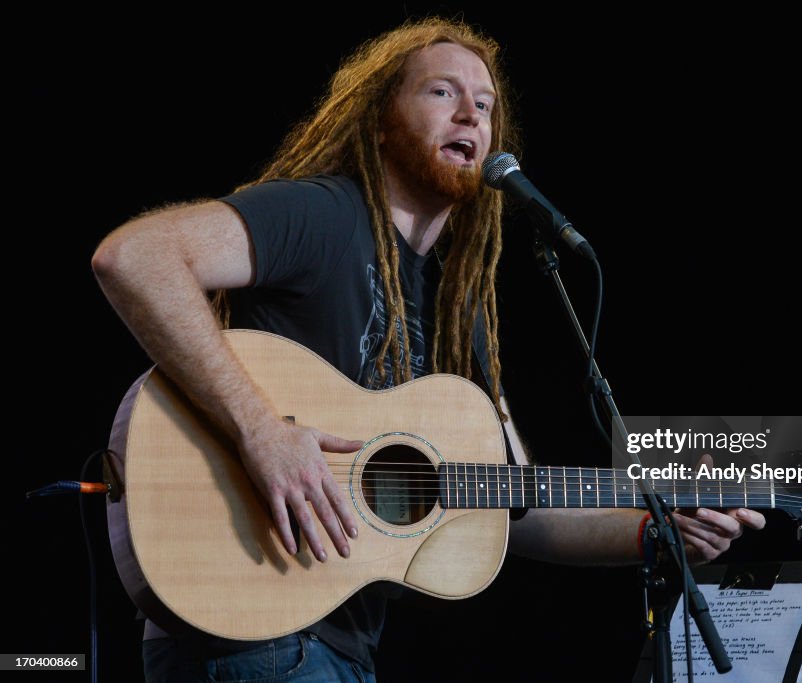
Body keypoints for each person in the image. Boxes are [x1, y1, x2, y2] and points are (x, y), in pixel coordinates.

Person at [91, 17, 765, 682]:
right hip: (256, 632)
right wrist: (262, 430)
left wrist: (658, 532)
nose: (472, 112)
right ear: (381, 119)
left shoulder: (455, 303)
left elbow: (514, 507)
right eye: (443, 92)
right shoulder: (325, 215)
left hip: (335, 645)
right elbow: (136, 256)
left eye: (487, 103)